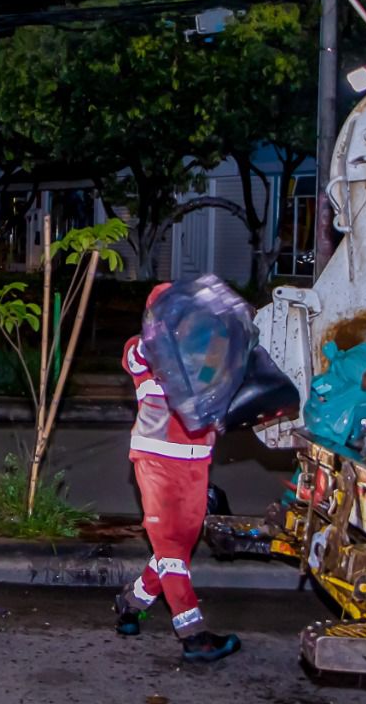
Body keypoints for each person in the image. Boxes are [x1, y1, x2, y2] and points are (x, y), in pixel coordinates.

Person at [114, 283, 242, 663]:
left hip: (196, 463)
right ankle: (193, 634)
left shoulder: (207, 353)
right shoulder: (141, 349)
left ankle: (130, 604)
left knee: (177, 549)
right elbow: (141, 354)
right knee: (170, 546)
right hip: (156, 462)